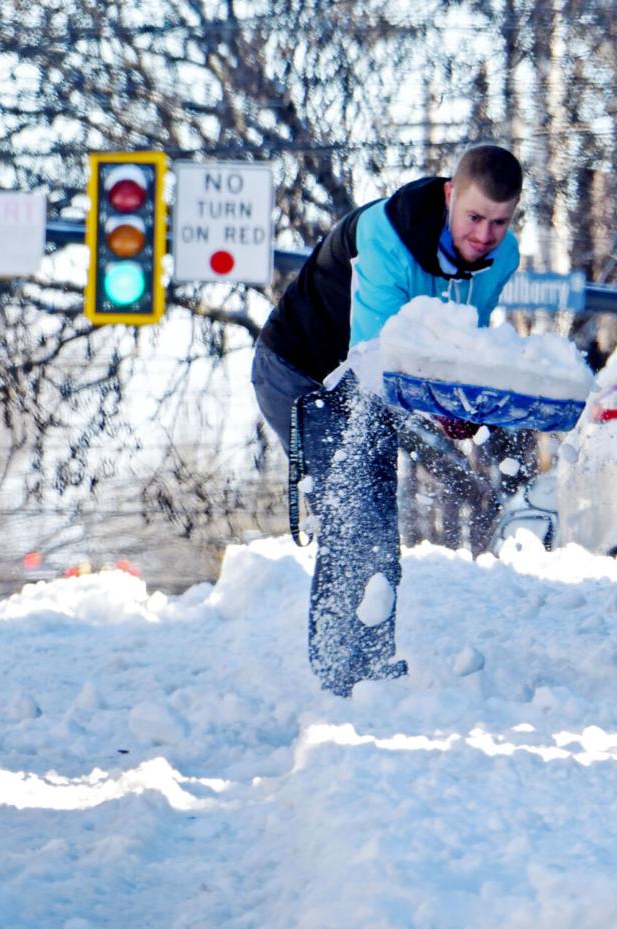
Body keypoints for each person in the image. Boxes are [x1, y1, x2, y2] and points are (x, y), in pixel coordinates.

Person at [251, 144, 523, 696]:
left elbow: (459, 347)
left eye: (500, 222)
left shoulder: (504, 256)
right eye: (474, 217)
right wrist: (436, 405)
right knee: (361, 503)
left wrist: (458, 411)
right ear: (450, 195)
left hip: (367, 381)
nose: (485, 236)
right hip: (300, 375)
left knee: (372, 502)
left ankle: (368, 666)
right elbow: (372, 365)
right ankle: (343, 672)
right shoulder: (384, 237)